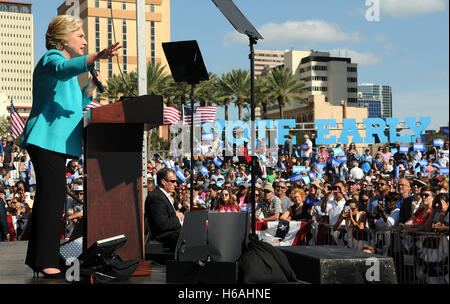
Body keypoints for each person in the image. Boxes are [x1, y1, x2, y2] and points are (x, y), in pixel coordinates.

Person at [19, 15, 121, 278]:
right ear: (64, 38)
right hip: (45, 140)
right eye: (81, 36)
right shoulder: (52, 58)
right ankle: (46, 259)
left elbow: (74, 105)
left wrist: (90, 88)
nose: (85, 41)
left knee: (49, 201)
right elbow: (61, 70)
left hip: (54, 142)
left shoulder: (68, 69)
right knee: (52, 202)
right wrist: (97, 56)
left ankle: (41, 258)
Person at [145, 168, 184, 250]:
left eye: (176, 181)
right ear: (163, 182)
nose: (176, 184)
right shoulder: (157, 197)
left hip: (171, 235)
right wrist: (178, 218)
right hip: (165, 239)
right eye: (173, 181)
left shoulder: (162, 195)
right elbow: (162, 225)